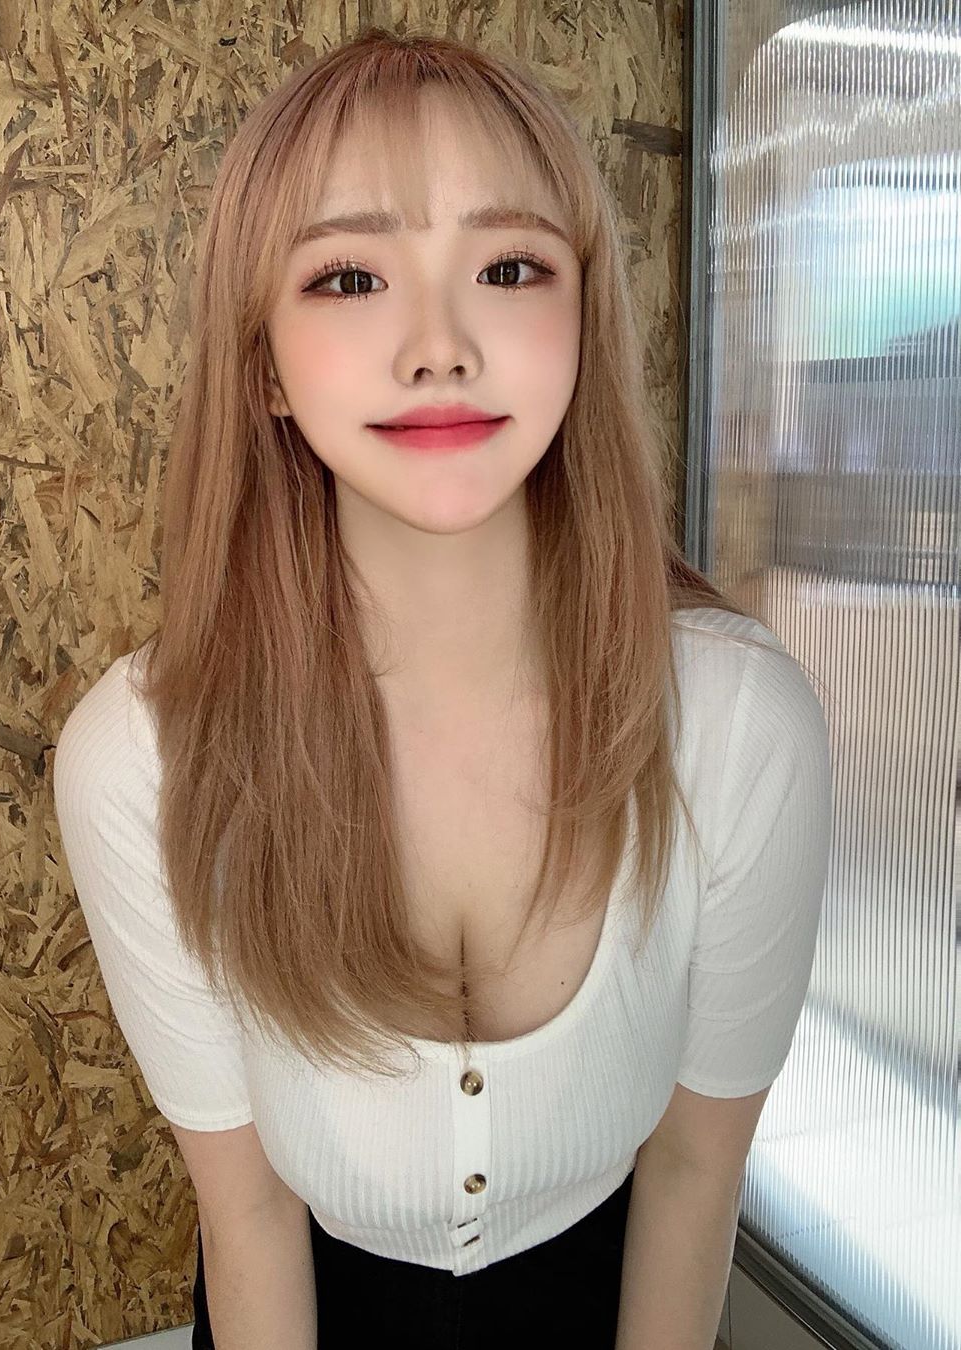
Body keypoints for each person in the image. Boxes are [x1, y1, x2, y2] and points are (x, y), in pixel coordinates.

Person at [52, 25, 833, 1350]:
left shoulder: (740, 724)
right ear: (262, 363)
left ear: (582, 321)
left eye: (511, 267)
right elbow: (246, 1214)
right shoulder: (140, 757)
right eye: (349, 277)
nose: (438, 347)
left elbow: (698, 1171)